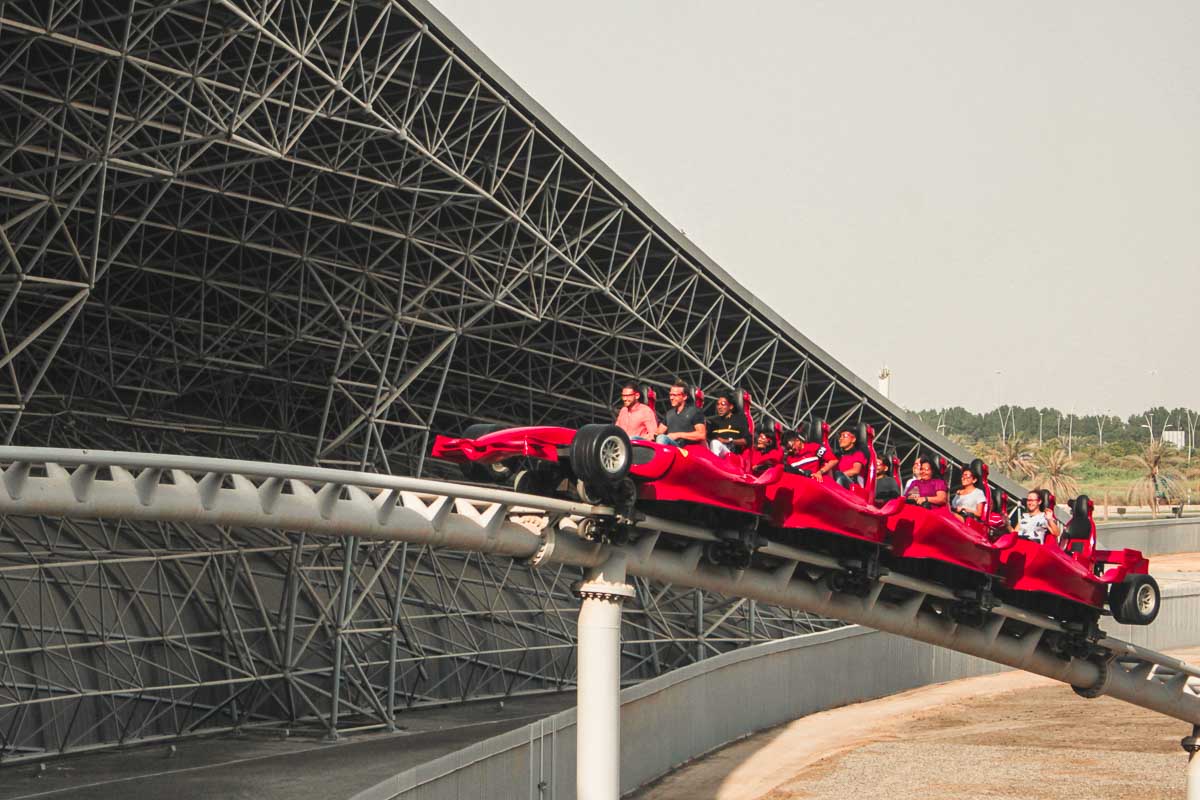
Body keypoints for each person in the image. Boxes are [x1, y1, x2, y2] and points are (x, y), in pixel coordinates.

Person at [656, 380, 706, 447]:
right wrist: (648, 436)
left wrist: (678, 435)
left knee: (662, 438)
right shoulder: (669, 414)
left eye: (674, 395)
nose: (671, 398)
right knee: (637, 439)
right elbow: (658, 433)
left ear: (684, 396)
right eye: (670, 395)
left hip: (684, 450)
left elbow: (701, 435)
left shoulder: (695, 412)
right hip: (671, 447)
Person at [707, 392, 749, 456]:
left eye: (723, 404)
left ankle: (713, 464)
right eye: (718, 404)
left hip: (731, 455)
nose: (719, 407)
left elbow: (747, 441)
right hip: (714, 451)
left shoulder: (739, 420)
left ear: (731, 406)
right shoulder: (713, 421)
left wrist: (728, 441)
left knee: (715, 443)